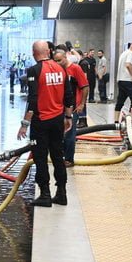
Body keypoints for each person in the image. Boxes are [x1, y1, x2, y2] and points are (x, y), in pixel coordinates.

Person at [18, 40, 74, 207]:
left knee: (40, 158)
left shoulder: (34, 70)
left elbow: (33, 99)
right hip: (58, 120)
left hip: (40, 122)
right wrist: (68, 118)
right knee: (58, 156)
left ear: (34, 53)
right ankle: (62, 194)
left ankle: (45, 194)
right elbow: (68, 95)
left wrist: (25, 124)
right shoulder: (61, 69)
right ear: (48, 52)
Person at [54, 49, 88, 168]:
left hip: (73, 107)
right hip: (59, 107)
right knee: (59, 133)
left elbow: (85, 86)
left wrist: (82, 104)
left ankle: (69, 159)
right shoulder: (57, 70)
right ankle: (61, 156)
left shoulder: (75, 69)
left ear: (65, 58)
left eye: (59, 60)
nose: (57, 63)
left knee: (69, 134)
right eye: (55, 61)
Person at [114, 42, 132, 120]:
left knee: (120, 101)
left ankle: (115, 121)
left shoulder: (123, 53)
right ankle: (130, 118)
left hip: (120, 80)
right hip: (127, 80)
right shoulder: (131, 53)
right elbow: (128, 64)